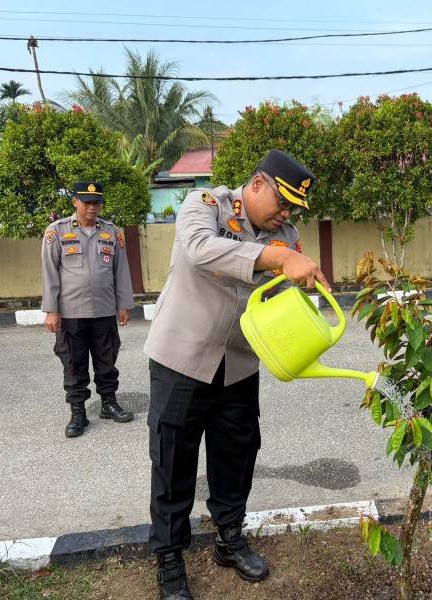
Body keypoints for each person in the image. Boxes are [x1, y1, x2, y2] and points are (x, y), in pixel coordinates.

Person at [143, 149, 329, 600]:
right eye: (281, 203)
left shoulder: (286, 234)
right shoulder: (206, 204)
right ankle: (169, 557)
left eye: (292, 210)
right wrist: (277, 259)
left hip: (240, 362)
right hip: (183, 357)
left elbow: (282, 294)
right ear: (259, 183)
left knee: (237, 453)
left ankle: (229, 537)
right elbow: (199, 250)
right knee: (173, 458)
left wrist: (305, 298)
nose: (285, 215)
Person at [42, 181, 135, 438]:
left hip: (104, 310)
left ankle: (108, 403)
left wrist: (123, 304)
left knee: (107, 359)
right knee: (74, 362)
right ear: (75, 202)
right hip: (70, 312)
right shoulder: (57, 231)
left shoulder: (110, 232)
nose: (93, 207)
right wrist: (51, 310)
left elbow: (121, 269)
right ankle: (77, 412)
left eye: (97, 202)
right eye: (87, 202)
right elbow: (50, 272)